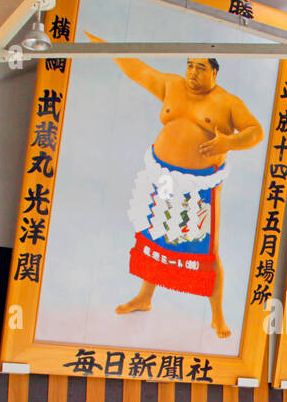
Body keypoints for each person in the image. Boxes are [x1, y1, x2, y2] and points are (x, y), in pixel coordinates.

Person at [86, 33, 263, 338]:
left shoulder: (228, 103)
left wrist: (230, 142)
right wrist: (106, 46)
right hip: (162, 178)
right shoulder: (171, 86)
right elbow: (137, 69)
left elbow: (256, 131)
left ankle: (217, 316)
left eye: (201, 67)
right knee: (156, 238)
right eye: (190, 65)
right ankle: (144, 298)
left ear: (215, 72)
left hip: (200, 187)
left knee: (207, 251)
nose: (193, 72)